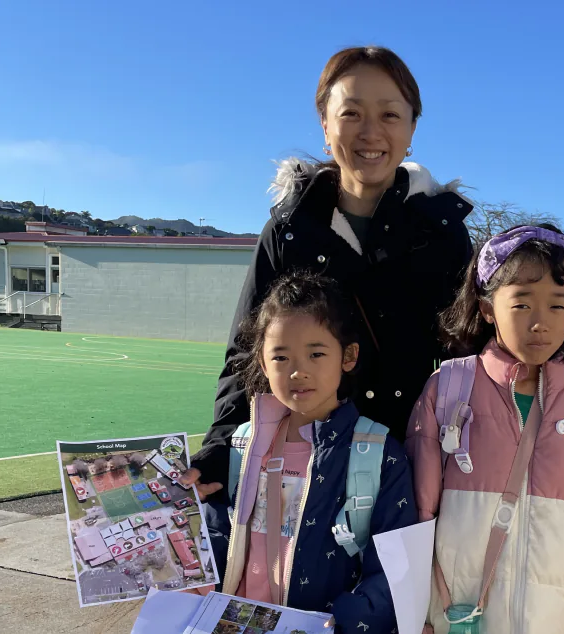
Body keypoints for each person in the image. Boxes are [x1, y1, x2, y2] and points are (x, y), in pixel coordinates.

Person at [184, 45, 473, 579]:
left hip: (403, 466)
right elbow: (248, 351)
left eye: (389, 114)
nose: (370, 132)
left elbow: (469, 358)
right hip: (302, 462)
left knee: (389, 603)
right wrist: (222, 445)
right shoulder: (289, 230)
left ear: (411, 129)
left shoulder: (443, 234)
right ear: (324, 124)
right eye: (351, 113)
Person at [406, 225, 564, 633]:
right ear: (486, 308)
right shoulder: (447, 391)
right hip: (454, 620)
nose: (541, 323)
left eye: (557, 306)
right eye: (522, 304)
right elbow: (415, 522)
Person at [216, 271, 416, 632]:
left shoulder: (379, 453)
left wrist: (340, 623)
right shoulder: (245, 442)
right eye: (281, 358)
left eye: (316, 353)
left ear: (349, 356)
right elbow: (220, 528)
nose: (298, 372)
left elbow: (393, 564)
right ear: (262, 363)